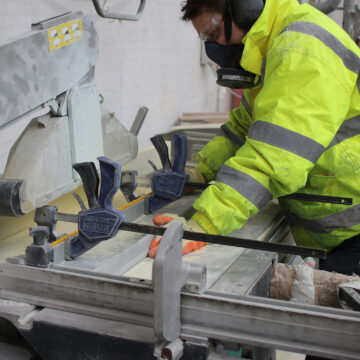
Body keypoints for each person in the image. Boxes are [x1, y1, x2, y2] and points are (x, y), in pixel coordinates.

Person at [181, 1, 360, 282]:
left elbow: (276, 154)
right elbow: (243, 128)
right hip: (342, 229)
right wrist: (200, 171)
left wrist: (206, 222)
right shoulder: (276, 46)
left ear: (245, 8)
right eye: (206, 39)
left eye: (214, 33)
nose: (214, 48)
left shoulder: (300, 47)